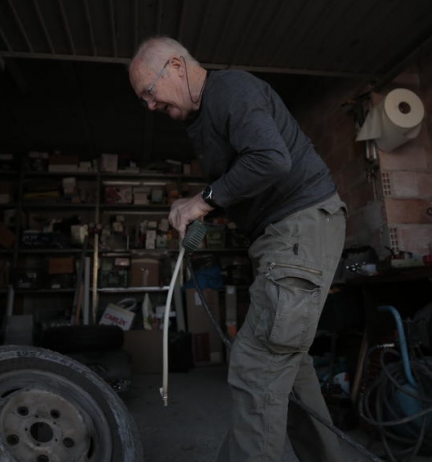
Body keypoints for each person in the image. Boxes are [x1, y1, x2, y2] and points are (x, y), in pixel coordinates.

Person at [128, 36, 348, 462]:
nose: (150, 106)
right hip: (281, 236)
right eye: (144, 100)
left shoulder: (229, 89)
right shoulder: (206, 115)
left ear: (176, 66)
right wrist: (202, 204)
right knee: (289, 367)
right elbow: (243, 176)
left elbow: (270, 159)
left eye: (149, 92)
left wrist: (203, 200)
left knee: (256, 366)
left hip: (298, 227)